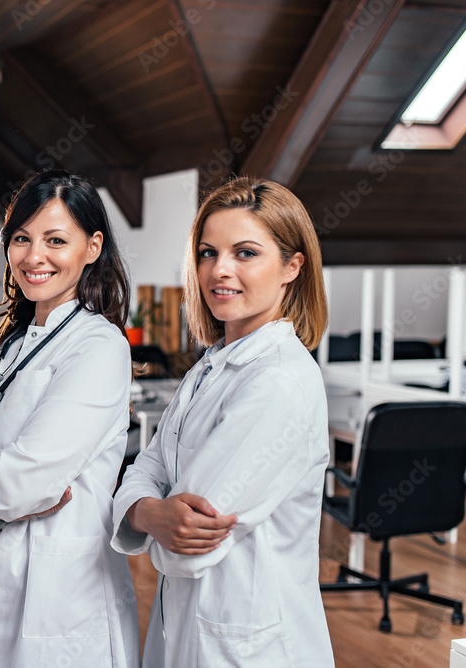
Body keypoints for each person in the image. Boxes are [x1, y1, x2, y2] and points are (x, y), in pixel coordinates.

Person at [111, 177, 334, 666]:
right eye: (208, 252)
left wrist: (140, 509)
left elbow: (184, 546)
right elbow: (145, 467)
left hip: (247, 641)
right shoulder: (212, 365)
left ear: (292, 266)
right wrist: (149, 512)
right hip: (187, 625)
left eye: (246, 253)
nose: (219, 270)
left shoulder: (278, 382)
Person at [0, 170, 140, 668]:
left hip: (62, 596)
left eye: (55, 240)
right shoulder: (2, 346)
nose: (33, 256)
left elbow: (18, 485)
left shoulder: (99, 346)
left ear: (92, 247)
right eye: (21, 239)